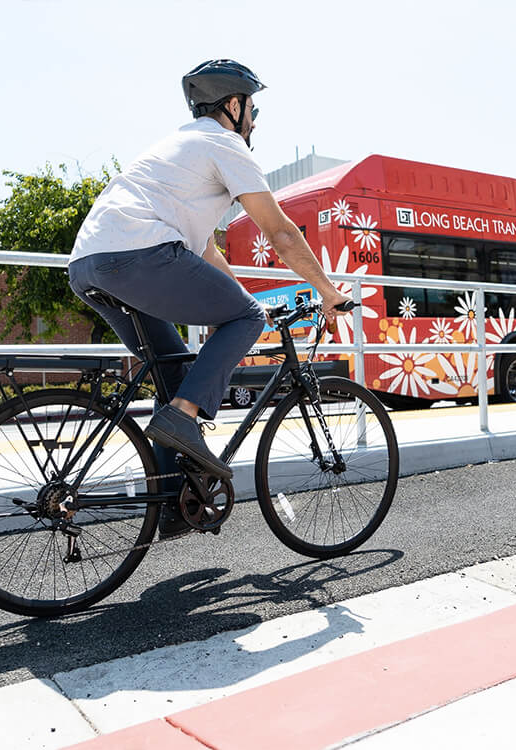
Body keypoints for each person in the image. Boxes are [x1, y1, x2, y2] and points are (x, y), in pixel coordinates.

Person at [68, 59, 350, 537]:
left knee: (176, 370)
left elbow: (205, 250)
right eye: (253, 108)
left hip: (89, 265)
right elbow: (279, 231)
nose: (255, 120)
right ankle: (182, 420)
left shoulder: (177, 146)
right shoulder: (225, 144)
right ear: (234, 105)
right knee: (241, 325)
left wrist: (242, 302)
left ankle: (176, 505)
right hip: (139, 254)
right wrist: (327, 291)